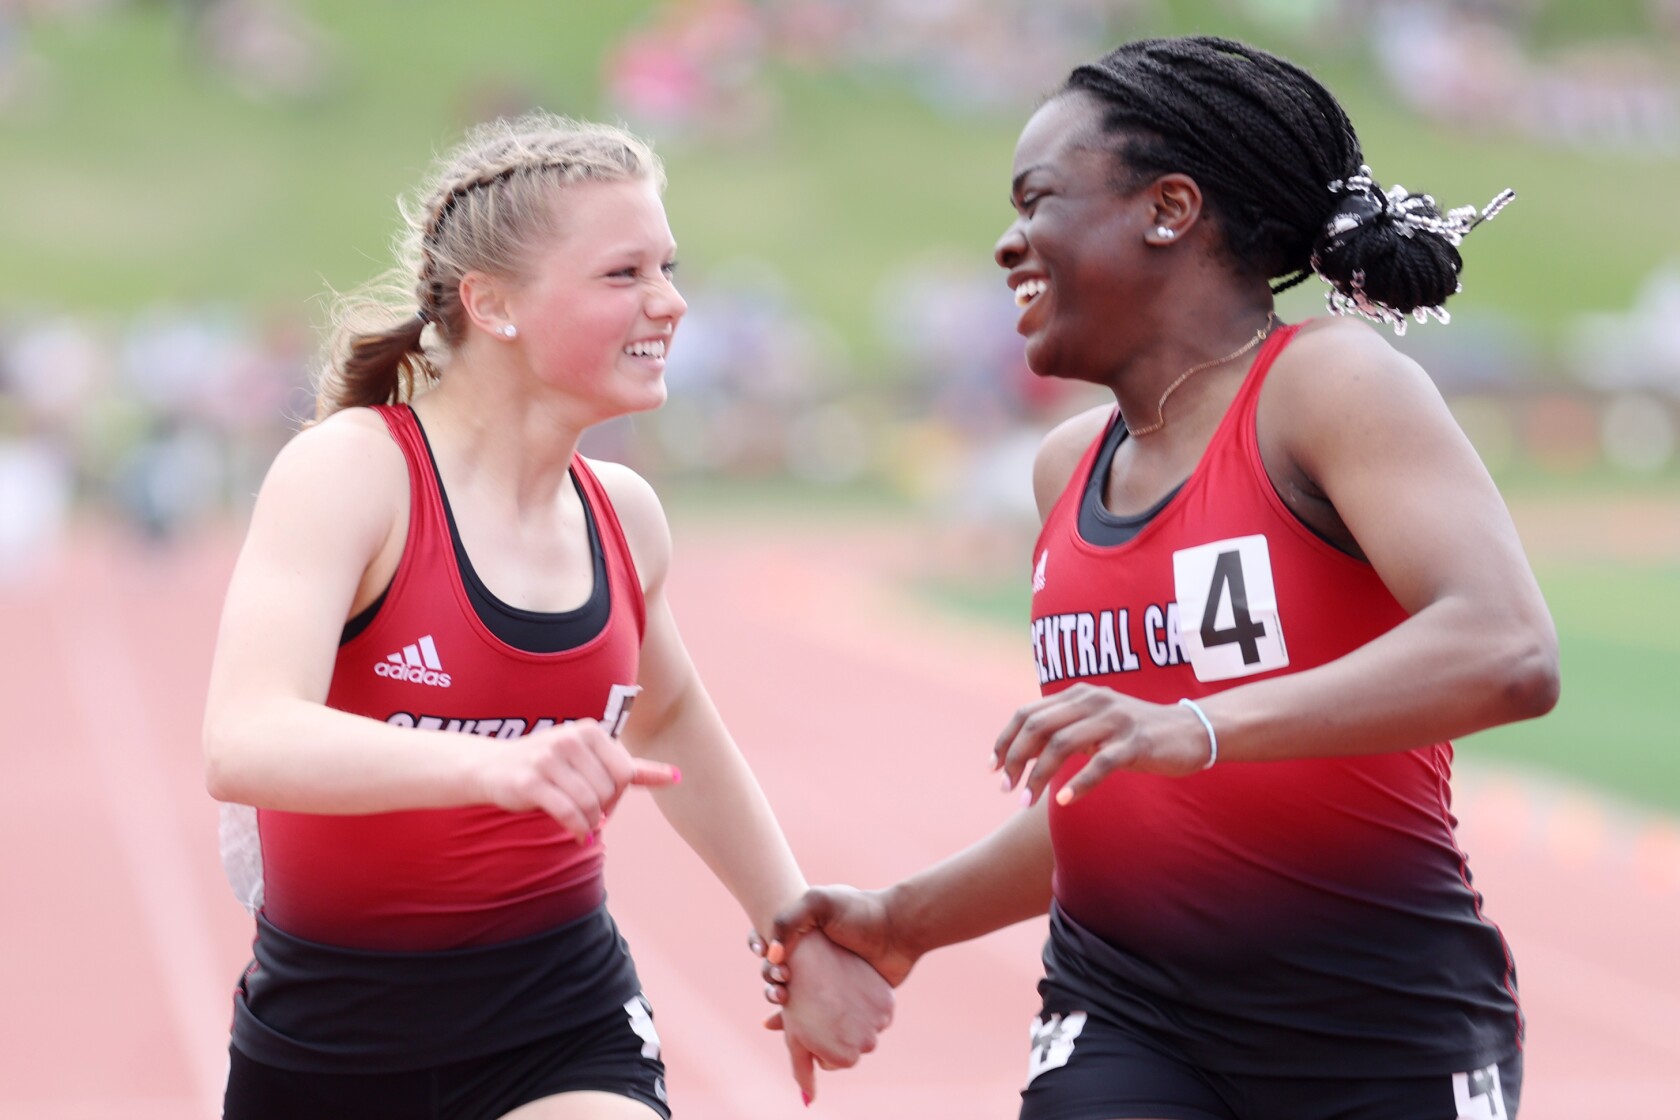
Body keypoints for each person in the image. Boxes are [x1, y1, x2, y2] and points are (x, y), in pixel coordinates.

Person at [758, 35, 1557, 1120]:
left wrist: (1198, 724)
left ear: (1169, 208)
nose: (1006, 243)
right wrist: (905, 919)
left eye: (1038, 199)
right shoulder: (1064, 469)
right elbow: (1115, 788)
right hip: (1124, 1013)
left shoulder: (1326, 384)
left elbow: (1507, 650)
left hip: (1373, 1017)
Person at [201, 111, 892, 1120]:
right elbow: (245, 736)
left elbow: (671, 718)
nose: (673, 301)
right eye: (626, 274)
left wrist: (791, 927)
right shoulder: (355, 473)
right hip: (329, 1033)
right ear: (493, 304)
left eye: (668, 266)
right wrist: (491, 765)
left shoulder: (625, 517)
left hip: (559, 1017)